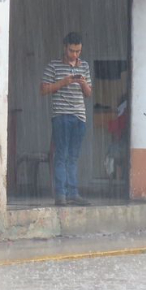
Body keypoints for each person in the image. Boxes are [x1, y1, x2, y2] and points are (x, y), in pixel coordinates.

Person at [40, 30, 93, 206]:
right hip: (61, 116)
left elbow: (88, 94)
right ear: (65, 48)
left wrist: (83, 82)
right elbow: (43, 89)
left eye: (78, 51)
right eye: (72, 50)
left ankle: (73, 193)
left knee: (73, 156)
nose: (75, 54)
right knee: (61, 155)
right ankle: (61, 195)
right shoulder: (53, 66)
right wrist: (64, 82)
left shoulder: (84, 66)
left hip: (79, 117)